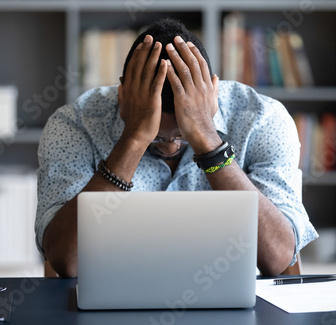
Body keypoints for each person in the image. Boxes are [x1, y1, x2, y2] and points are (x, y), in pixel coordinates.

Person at [35, 18, 318, 278]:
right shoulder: (75, 125)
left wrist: (207, 139)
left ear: (213, 94)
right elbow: (65, 260)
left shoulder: (263, 119)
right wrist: (133, 139)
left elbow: (279, 257)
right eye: (157, 137)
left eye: (181, 137)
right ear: (123, 98)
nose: (170, 148)